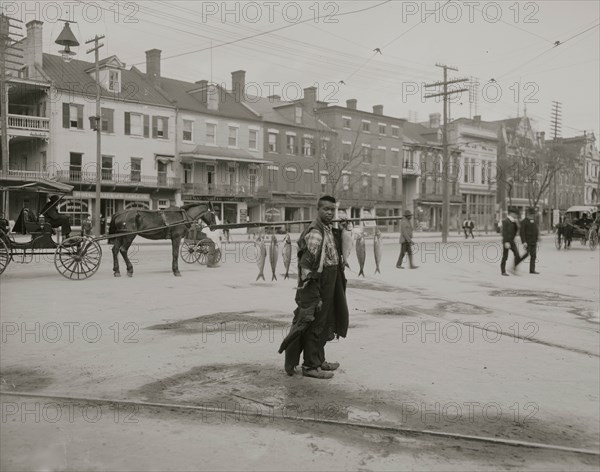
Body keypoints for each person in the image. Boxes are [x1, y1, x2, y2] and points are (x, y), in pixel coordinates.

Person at [283, 195, 349, 380]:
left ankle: (319, 360)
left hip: (330, 282)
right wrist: (314, 294)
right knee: (314, 325)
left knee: (325, 322)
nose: (330, 212)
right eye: (326, 209)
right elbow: (306, 267)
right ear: (318, 210)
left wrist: (343, 229)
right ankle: (310, 366)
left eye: (332, 210)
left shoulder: (327, 229)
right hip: (317, 285)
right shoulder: (316, 232)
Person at [500, 207, 523, 276]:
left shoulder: (514, 221)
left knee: (517, 255)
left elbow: (518, 230)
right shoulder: (505, 221)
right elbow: (504, 232)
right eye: (516, 214)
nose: (516, 216)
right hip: (506, 241)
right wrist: (506, 242)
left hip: (512, 241)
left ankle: (513, 268)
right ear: (512, 214)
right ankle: (503, 271)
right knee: (505, 256)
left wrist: (517, 224)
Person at [519, 208, 540, 274]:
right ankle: (516, 263)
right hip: (527, 242)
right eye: (531, 215)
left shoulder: (534, 221)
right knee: (526, 255)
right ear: (528, 214)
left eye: (533, 215)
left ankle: (532, 270)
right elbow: (522, 233)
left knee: (533, 256)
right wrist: (524, 242)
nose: (532, 216)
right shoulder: (524, 222)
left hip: (533, 242)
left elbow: (536, 231)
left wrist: (537, 239)